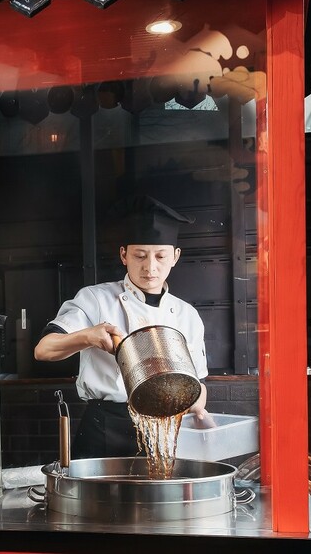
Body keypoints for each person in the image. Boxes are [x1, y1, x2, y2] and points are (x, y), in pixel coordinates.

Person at [34, 195, 209, 459]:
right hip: (105, 426)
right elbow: (44, 350)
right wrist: (88, 337)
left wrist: (196, 404)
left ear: (175, 257)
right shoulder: (95, 299)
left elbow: (199, 384)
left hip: (165, 429)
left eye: (161, 256)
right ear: (124, 255)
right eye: (140, 255)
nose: (150, 267)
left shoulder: (187, 314)